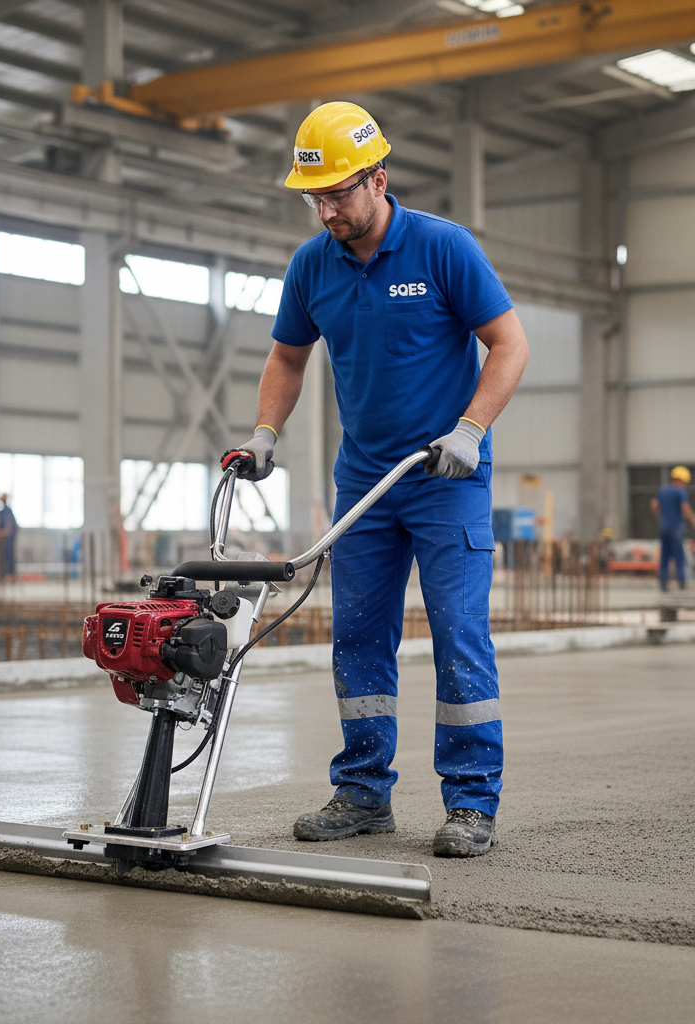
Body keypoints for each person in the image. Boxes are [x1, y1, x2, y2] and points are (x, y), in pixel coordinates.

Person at [223, 102, 529, 858]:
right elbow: (288, 357)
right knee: (359, 637)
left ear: (378, 179)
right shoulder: (311, 266)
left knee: (460, 636)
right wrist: (265, 433)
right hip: (365, 480)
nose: (325, 210)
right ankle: (363, 792)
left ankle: (471, 803)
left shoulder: (441, 248)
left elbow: (509, 344)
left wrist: (471, 429)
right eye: (313, 197)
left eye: (337, 194)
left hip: (446, 475)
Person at [650, 466, 695, 592]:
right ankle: (682, 583)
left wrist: (660, 518)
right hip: (676, 528)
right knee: (679, 556)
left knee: (665, 556)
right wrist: (692, 518)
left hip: (664, 528)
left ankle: (663, 584)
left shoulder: (663, 490)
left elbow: (654, 505)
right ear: (681, 480)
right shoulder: (680, 492)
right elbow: (684, 507)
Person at [0, 494, 18, 580]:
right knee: (1, 557)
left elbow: (10, 526)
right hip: (1, 540)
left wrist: (5, 532)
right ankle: (2, 574)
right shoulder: (0, 512)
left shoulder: (8, 511)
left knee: (9, 556)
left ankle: (10, 574)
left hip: (8, 539)